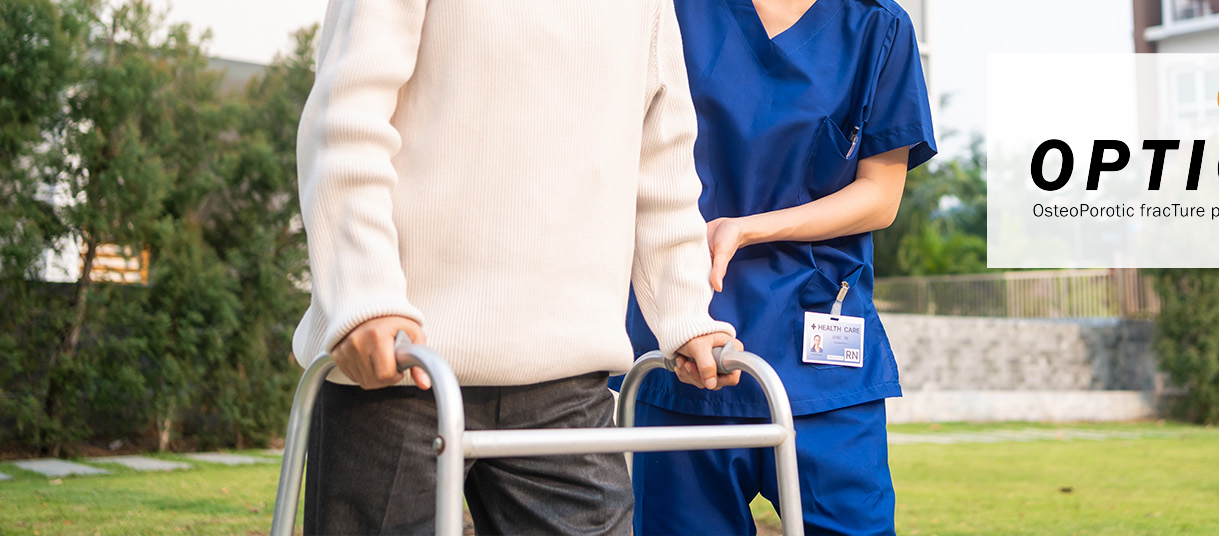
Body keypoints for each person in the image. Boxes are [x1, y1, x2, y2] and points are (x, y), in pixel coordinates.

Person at [290, 1, 736, 534]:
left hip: (567, 377)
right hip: (398, 365)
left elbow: (661, 153)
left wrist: (685, 310)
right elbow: (347, 115)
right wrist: (362, 297)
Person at [620, 0, 937, 534]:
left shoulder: (877, 26)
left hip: (822, 353)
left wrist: (748, 227)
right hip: (686, 339)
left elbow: (880, 197)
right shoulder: (668, 12)